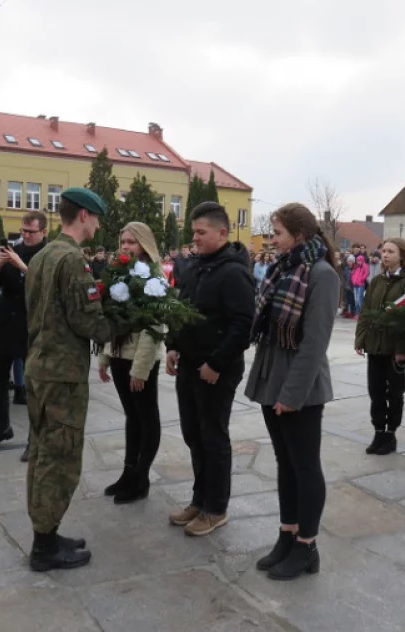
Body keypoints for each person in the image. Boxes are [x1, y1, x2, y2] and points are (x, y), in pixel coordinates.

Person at [23, 187, 128, 572]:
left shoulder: (42, 256)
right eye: (97, 217)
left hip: (39, 368)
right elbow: (90, 323)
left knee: (42, 452)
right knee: (60, 457)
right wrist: (126, 318)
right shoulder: (72, 260)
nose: (99, 224)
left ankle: (46, 534)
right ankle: (44, 547)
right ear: (83, 215)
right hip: (62, 376)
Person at [244, 203, 338, 581]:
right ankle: (287, 534)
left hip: (300, 385)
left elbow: (315, 343)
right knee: (286, 464)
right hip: (272, 376)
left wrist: (292, 393)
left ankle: (306, 546)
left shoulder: (322, 274)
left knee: (304, 466)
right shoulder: (284, 268)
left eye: (278, 232)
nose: (273, 238)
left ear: (299, 235)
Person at [166, 201, 255, 537]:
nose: (195, 238)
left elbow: (243, 325)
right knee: (193, 435)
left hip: (216, 370)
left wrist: (216, 363)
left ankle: (216, 508)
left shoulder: (234, 272)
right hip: (190, 365)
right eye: (194, 232)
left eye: (201, 232)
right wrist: (173, 344)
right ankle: (199, 499)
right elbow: (181, 308)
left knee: (213, 437)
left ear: (222, 232)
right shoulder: (196, 267)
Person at [98, 222, 165, 505]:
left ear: (144, 245)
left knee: (146, 418)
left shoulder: (155, 277)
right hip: (119, 355)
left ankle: (141, 478)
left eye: (132, 242)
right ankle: (129, 473)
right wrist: (104, 356)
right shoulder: (119, 273)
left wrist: (141, 368)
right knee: (132, 418)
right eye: (123, 241)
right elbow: (111, 318)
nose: (125, 246)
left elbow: (155, 327)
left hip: (140, 360)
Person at [0, 211, 47, 455]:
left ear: (43, 232)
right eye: (23, 231)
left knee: (33, 386)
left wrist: (21, 266)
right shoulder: (12, 249)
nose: (25, 236)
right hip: (6, 322)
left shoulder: (48, 254)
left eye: (31, 232)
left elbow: (44, 287)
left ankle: (34, 439)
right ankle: (2, 428)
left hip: (32, 325)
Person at [355, 238, 405, 455]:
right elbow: (366, 311)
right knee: (376, 391)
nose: (385, 255)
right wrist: (360, 339)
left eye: (391, 251)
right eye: (384, 251)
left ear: (402, 255)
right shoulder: (377, 281)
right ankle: (378, 431)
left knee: (395, 392)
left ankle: (391, 434)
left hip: (394, 348)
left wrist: (401, 349)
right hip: (375, 344)